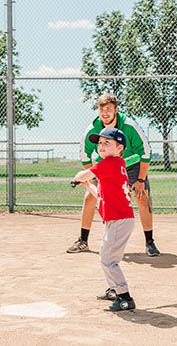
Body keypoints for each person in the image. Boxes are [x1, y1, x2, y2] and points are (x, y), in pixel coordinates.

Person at [67, 93, 160, 256]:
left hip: (131, 165)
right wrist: (92, 181)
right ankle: (83, 240)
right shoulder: (92, 130)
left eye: (109, 109)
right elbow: (85, 157)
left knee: (142, 196)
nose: (105, 113)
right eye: (102, 109)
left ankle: (149, 242)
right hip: (105, 165)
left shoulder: (130, 126)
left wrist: (140, 179)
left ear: (116, 110)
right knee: (90, 197)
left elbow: (146, 154)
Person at [73, 127, 136, 311]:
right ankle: (114, 289)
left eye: (107, 142)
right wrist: (87, 184)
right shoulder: (117, 165)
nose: (101, 146)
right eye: (100, 143)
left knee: (108, 259)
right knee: (107, 255)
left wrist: (79, 178)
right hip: (118, 219)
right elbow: (100, 195)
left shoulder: (108, 164)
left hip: (119, 220)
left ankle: (125, 298)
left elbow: (82, 174)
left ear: (120, 148)